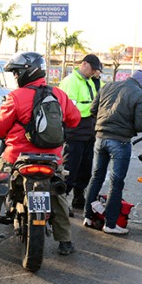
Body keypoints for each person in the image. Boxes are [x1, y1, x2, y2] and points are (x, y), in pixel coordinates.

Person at [0, 52, 81, 255]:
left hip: (17, 156)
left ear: (28, 72)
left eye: (17, 73)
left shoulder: (15, 97)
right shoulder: (59, 94)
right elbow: (75, 119)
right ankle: (65, 241)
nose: (16, 77)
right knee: (57, 193)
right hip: (52, 159)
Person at [82, 70, 142, 235]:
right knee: (116, 182)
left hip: (100, 138)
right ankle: (110, 224)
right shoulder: (140, 95)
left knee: (96, 176)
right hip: (120, 141)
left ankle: (88, 217)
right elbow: (141, 125)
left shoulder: (108, 86)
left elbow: (93, 109)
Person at [58, 54, 104, 215]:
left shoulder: (90, 81)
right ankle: (61, 200)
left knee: (85, 168)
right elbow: (71, 109)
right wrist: (93, 109)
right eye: (93, 69)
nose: (94, 72)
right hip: (75, 131)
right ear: (84, 64)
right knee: (71, 168)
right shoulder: (71, 81)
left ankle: (78, 197)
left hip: (89, 132)